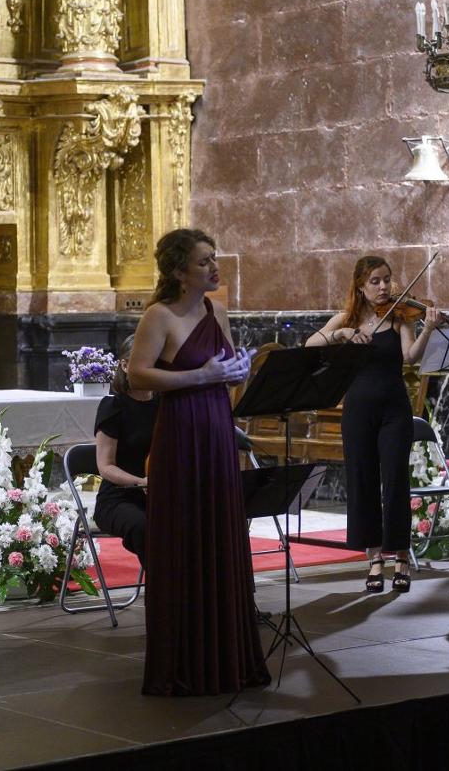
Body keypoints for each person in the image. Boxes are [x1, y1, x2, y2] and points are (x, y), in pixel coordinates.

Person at [127, 228, 269, 696]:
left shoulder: (217, 310)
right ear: (177, 271)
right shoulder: (159, 315)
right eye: (204, 261)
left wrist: (237, 370)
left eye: (215, 258)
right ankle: (185, 663)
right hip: (182, 435)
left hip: (216, 432)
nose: (215, 267)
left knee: (221, 535)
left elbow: (224, 369)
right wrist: (201, 374)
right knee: (187, 538)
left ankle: (226, 658)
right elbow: (138, 376)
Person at [305, 256, 441, 594]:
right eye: (375, 282)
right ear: (361, 287)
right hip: (358, 411)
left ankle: (401, 560)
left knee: (395, 482)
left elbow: (411, 357)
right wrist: (342, 334)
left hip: (394, 410)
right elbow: (310, 344)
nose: (383, 288)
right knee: (363, 483)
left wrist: (429, 329)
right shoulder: (346, 319)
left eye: (387, 280)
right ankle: (374, 559)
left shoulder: (399, 318)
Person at [93, 335, 158, 569]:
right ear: (125, 364)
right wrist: (141, 482)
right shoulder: (114, 407)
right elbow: (105, 466)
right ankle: (168, 594)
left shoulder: (165, 403)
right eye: (145, 363)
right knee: (146, 527)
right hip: (118, 499)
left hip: (160, 495)